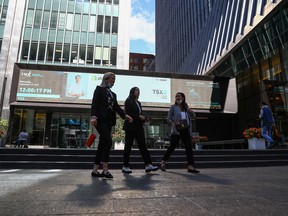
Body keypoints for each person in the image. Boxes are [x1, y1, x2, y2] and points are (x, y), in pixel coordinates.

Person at [90, 72, 133, 178]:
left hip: (109, 121)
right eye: (112, 79)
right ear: (106, 79)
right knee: (108, 141)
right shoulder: (99, 90)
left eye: (114, 79)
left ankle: (95, 171)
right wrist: (94, 117)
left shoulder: (113, 94)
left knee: (102, 144)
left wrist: (125, 115)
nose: (113, 81)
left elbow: (117, 108)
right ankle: (105, 170)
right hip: (100, 120)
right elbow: (95, 104)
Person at [159, 92, 200, 173]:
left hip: (186, 130)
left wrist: (189, 109)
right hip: (177, 130)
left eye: (179, 96)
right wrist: (173, 123)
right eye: (176, 96)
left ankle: (190, 166)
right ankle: (163, 161)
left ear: (183, 98)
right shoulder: (173, 107)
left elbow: (194, 116)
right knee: (172, 147)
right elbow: (169, 119)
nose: (177, 97)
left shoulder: (186, 107)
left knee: (189, 148)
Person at [122, 87, 159, 174]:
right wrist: (139, 116)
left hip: (138, 126)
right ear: (132, 92)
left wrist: (144, 119)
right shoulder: (128, 100)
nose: (137, 92)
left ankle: (148, 165)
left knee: (143, 145)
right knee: (128, 146)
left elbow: (140, 114)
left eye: (138, 91)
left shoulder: (138, 103)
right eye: (136, 91)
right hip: (130, 126)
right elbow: (129, 113)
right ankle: (125, 166)